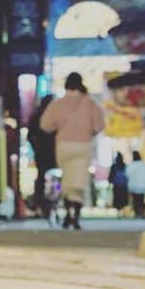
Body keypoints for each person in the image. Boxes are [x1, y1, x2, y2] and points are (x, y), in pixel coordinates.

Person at [40, 72, 105, 230]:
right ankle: (74, 214)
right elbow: (99, 126)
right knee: (79, 181)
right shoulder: (90, 104)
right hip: (83, 145)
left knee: (67, 178)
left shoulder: (58, 104)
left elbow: (45, 125)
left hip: (63, 145)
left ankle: (67, 211)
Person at [27, 94, 57, 220]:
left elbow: (30, 135)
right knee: (56, 177)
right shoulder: (55, 117)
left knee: (41, 178)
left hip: (41, 152)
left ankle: (39, 203)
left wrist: (36, 145)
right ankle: (55, 198)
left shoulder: (36, 116)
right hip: (53, 151)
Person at [127, 151, 145, 218]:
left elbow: (127, 174)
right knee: (141, 199)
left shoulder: (131, 165)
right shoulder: (144, 165)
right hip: (143, 186)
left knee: (136, 200)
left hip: (134, 186)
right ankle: (141, 212)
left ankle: (138, 212)